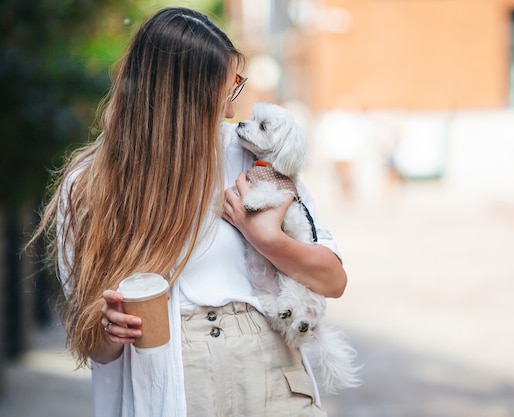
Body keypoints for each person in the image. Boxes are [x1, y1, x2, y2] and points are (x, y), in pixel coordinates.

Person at [31, 7, 347, 417]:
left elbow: (333, 279)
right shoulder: (90, 185)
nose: (232, 112)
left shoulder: (256, 156)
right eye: (225, 90)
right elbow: (91, 343)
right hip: (175, 378)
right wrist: (109, 330)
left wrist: (266, 239)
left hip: (272, 368)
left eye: (236, 84)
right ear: (181, 98)